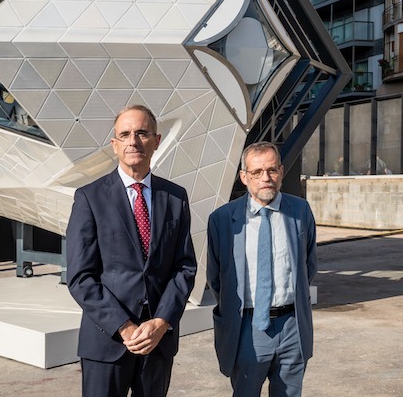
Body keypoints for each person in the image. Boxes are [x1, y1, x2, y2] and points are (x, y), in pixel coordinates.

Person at [66, 104, 197, 397]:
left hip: (157, 342)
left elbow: (184, 267)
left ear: (156, 140)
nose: (133, 141)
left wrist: (162, 322)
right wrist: (124, 328)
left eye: (141, 133)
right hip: (107, 340)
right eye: (124, 134)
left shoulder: (175, 197)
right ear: (114, 145)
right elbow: (80, 277)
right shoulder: (89, 198)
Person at [207, 141, 317, 397]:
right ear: (244, 177)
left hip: (292, 327)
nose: (265, 178)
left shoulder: (300, 211)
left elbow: (309, 265)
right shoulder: (222, 219)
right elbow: (216, 278)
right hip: (247, 327)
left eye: (271, 170)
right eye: (256, 172)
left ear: (280, 171)